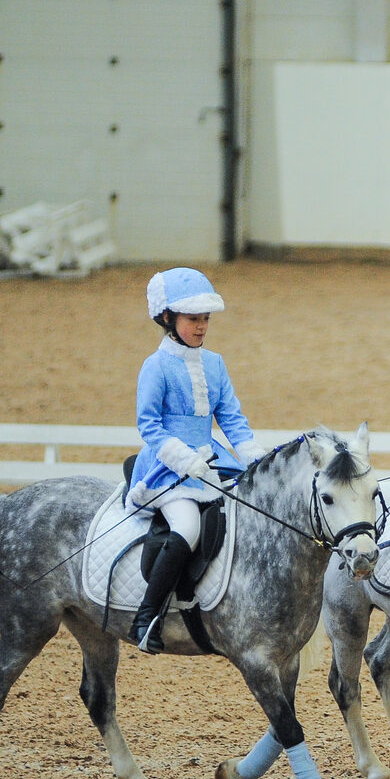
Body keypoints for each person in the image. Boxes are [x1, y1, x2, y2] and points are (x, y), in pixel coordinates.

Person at [126, 267, 268, 654]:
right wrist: (183, 459)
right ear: (168, 318)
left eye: (205, 319)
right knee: (187, 528)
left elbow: (233, 420)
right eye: (194, 319)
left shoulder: (215, 363)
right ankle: (147, 616)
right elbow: (149, 425)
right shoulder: (156, 366)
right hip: (168, 467)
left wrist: (254, 456)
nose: (202, 327)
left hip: (211, 462)